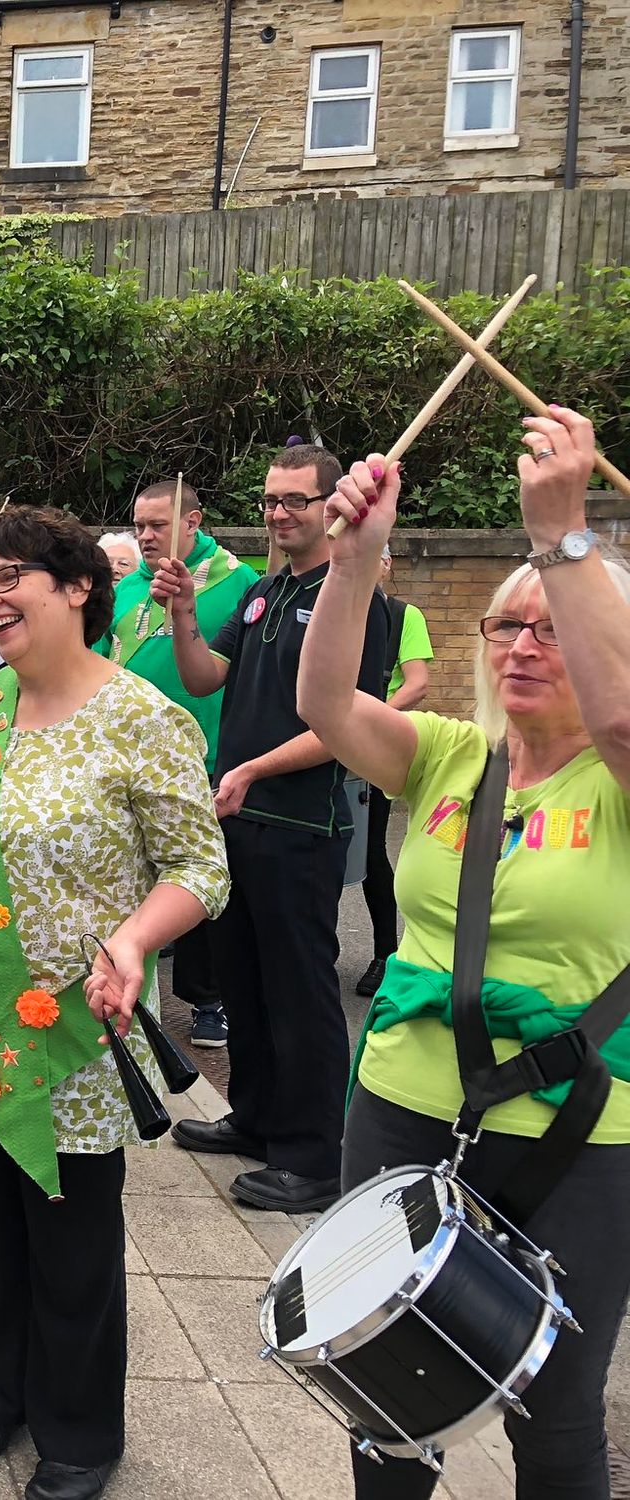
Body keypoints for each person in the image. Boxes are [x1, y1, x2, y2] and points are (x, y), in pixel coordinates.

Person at [296, 406, 630, 1500]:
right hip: (402, 1108)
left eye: (551, 626)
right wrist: (354, 563)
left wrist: (562, 540)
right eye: (506, 627)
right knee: (381, 1382)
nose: (522, 645)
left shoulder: (618, 781)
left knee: (556, 1408)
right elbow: (322, 703)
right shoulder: (450, 757)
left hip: (573, 1134)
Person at [0, 506, 229, 1500]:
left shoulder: (139, 717)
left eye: (10, 577)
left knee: (70, 1245)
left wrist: (134, 938)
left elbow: (200, 869)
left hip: (66, 1028)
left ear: (77, 587)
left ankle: (78, 1429)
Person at [153, 442, 391, 1213]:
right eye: (270, 500)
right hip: (237, 820)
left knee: (300, 994)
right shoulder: (262, 592)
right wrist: (182, 616)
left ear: (332, 506)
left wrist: (253, 768)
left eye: (295, 500)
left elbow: (349, 722)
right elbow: (204, 678)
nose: (279, 513)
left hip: (300, 825)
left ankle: (316, 1158)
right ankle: (254, 1119)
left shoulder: (355, 601)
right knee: (244, 983)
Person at [101, 479, 259, 1049]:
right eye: (139, 525)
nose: (145, 536)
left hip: (203, 754)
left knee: (194, 872)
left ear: (193, 522)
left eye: (157, 525)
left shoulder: (240, 581)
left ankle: (208, 1001)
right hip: (123, 755)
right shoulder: (124, 589)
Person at [353, 545, 434, 999]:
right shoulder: (333, 610)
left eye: (376, 559)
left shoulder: (404, 616)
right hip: (323, 740)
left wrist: (369, 718)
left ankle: (385, 953)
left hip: (374, 742)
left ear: (387, 566)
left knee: (370, 852)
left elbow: (417, 683)